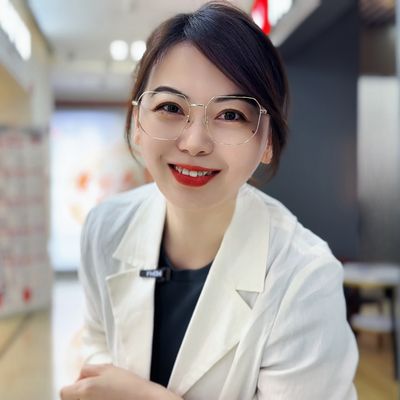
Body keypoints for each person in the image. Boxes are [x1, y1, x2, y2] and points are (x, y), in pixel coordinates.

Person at [60, 2, 359, 399]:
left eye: (231, 114)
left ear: (268, 142)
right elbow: (98, 350)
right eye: (170, 107)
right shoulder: (105, 228)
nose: (194, 143)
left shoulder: (304, 278)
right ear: (137, 125)